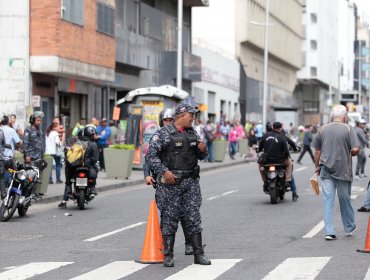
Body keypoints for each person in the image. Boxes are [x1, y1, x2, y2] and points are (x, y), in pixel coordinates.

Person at [146, 103, 211, 267]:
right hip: (170, 183)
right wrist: (164, 172)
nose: (193, 119)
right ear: (182, 115)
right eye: (191, 115)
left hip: (191, 182)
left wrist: (203, 150)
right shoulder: (163, 134)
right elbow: (151, 156)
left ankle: (199, 254)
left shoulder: (192, 133)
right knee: (169, 218)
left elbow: (201, 156)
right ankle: (168, 255)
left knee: (193, 217)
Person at [143, 109, 194, 256]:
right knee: (167, 216)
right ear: (161, 121)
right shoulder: (158, 136)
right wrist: (147, 175)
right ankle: (164, 248)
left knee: (185, 214)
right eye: (166, 120)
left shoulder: (183, 133)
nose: (169, 122)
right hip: (164, 181)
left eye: (171, 119)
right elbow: (150, 158)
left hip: (181, 179)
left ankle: (189, 243)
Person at [314, 105, 359, 241]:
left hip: (325, 169)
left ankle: (329, 232)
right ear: (345, 117)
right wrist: (349, 152)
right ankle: (349, 227)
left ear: (332, 116)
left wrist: (316, 167)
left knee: (328, 200)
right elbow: (356, 149)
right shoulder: (348, 129)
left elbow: (317, 151)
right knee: (345, 199)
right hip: (343, 170)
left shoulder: (322, 129)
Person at [58, 126, 99, 208]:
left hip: (75, 166)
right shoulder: (93, 144)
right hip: (88, 166)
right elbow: (95, 159)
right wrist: (90, 162)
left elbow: (69, 157)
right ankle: (92, 187)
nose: (94, 136)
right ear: (90, 135)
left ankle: (69, 189)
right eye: (93, 135)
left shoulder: (76, 144)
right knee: (96, 167)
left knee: (69, 176)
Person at [258, 121, 293, 193]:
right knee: (290, 163)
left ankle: (265, 181)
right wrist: (286, 156)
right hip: (280, 161)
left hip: (267, 161)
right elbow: (286, 151)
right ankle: (287, 180)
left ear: (272, 127)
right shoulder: (282, 136)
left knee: (260, 166)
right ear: (280, 128)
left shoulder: (265, 135)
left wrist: (259, 150)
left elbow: (260, 148)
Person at [0, 115, 21, 187]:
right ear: (8, 121)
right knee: (8, 175)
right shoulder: (11, 130)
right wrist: (20, 149)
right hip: (8, 158)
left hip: (1, 157)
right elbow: (18, 142)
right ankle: (5, 192)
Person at [45, 120, 63, 184]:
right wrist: (61, 144)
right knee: (58, 165)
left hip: (47, 152)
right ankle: (58, 179)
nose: (57, 128)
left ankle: (50, 179)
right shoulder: (55, 133)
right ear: (54, 128)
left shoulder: (47, 133)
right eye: (57, 127)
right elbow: (58, 142)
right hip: (55, 152)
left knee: (49, 166)